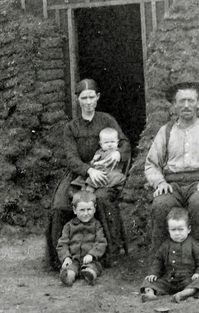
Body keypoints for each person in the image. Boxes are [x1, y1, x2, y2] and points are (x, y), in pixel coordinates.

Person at [49, 78, 131, 264]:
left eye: (91, 97)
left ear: (98, 97)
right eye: (84, 98)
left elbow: (125, 143)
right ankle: (61, 258)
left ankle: (107, 254)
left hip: (106, 171)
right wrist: (89, 171)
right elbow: (71, 158)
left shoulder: (107, 120)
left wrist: (118, 153)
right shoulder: (71, 127)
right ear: (78, 99)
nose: (88, 102)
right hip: (80, 172)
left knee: (100, 199)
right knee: (60, 205)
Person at [143, 81, 199, 250]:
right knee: (160, 205)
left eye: (191, 101)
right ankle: (162, 261)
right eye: (181, 101)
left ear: (198, 103)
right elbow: (151, 164)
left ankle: (198, 260)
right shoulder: (166, 131)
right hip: (172, 185)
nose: (186, 105)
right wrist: (160, 183)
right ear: (174, 105)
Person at [140, 208, 199, 303]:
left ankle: (182, 294)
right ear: (168, 230)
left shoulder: (193, 244)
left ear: (188, 229)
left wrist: (198, 273)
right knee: (148, 281)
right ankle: (150, 294)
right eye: (173, 230)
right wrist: (154, 273)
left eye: (181, 230)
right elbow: (158, 260)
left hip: (187, 279)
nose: (177, 233)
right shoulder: (166, 244)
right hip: (168, 280)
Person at [56, 190, 107, 287]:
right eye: (82, 210)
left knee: (92, 267)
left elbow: (101, 242)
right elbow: (62, 243)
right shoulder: (69, 226)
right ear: (75, 210)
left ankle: (89, 274)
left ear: (95, 209)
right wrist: (66, 257)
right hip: (73, 259)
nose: (86, 213)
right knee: (70, 269)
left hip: (91, 260)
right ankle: (68, 277)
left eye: (89, 209)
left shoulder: (97, 225)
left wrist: (92, 254)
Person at [70, 127, 126, 192]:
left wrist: (98, 163)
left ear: (117, 142)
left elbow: (108, 162)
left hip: (111, 172)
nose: (110, 145)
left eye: (112, 142)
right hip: (98, 172)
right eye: (106, 142)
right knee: (86, 178)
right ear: (101, 144)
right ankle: (83, 193)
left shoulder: (116, 152)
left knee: (92, 182)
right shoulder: (99, 152)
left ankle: (87, 193)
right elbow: (92, 164)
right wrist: (93, 160)